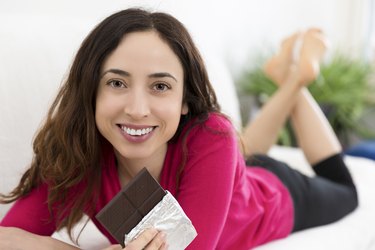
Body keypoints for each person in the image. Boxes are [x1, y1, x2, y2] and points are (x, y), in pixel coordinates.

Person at [0, 8, 358, 250]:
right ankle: (288, 80)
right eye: (117, 83)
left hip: (275, 196)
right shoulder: (80, 157)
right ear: (91, 91)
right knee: (246, 153)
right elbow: (6, 238)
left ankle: (297, 80)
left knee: (346, 191)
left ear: (185, 101)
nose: (137, 110)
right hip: (234, 173)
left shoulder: (211, 135)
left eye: (160, 86)